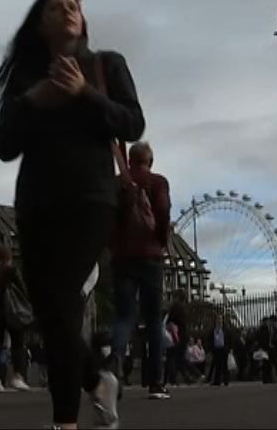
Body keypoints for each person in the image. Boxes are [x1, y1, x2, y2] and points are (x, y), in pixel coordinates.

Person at [0, 0, 144, 430]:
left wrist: (84, 93)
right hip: (36, 204)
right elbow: (3, 146)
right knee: (52, 313)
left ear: (83, 19)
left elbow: (132, 123)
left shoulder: (106, 65)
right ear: (41, 24)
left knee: (61, 305)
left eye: (73, 5)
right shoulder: (26, 79)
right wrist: (32, 100)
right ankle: (96, 380)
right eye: (56, 7)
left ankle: (65, 421)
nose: (68, 11)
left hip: (91, 200)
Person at [109, 141, 171, 400]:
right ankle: (156, 382)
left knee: (124, 316)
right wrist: (161, 240)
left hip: (122, 257)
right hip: (150, 256)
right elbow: (163, 211)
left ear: (130, 160)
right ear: (150, 161)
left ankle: (113, 367)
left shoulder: (116, 183)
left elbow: (106, 218)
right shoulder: (158, 182)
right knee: (154, 319)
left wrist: (113, 245)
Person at [0, 245, 31, 393]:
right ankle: (18, 376)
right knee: (18, 344)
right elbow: (23, 290)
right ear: (8, 258)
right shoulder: (12, 270)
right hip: (12, 311)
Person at [259, 314, 277, 384]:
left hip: (272, 349)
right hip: (266, 349)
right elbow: (261, 339)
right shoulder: (263, 328)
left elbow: (276, 339)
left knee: (273, 363)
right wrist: (263, 348)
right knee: (268, 364)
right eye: (274, 322)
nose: (274, 323)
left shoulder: (273, 328)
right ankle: (268, 379)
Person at [207, 316, 232, 387]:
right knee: (217, 366)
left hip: (224, 349)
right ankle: (217, 381)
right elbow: (209, 339)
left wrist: (230, 348)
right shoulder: (213, 330)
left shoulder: (226, 329)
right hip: (216, 349)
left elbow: (230, 339)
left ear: (222, 320)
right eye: (218, 319)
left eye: (220, 319)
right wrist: (210, 349)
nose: (219, 321)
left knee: (224, 365)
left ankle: (226, 380)